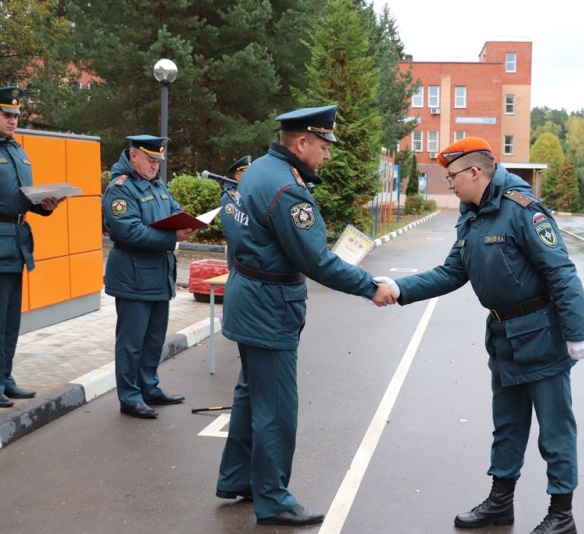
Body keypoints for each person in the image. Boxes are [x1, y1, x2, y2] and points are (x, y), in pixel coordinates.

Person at [377, 138, 584, 534]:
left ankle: (561, 514)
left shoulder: (521, 210)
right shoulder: (473, 216)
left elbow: (560, 271)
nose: (449, 184)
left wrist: (578, 333)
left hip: (542, 335)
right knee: (507, 425)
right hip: (503, 335)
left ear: (475, 172)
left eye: (452, 176)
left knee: (555, 429)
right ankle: (501, 503)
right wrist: (400, 288)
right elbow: (451, 272)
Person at [215, 104, 397, 527]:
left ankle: (238, 477)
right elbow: (317, 262)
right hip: (269, 305)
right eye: (323, 145)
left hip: (247, 294)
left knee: (249, 393)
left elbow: (234, 223)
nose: (327, 154)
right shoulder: (289, 190)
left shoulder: (258, 169)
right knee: (276, 407)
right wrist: (371, 286)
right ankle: (274, 499)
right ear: (301, 143)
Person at [102, 134, 197, 419]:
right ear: (134, 157)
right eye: (151, 159)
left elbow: (175, 211)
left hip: (158, 275)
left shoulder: (157, 185)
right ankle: (130, 397)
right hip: (133, 276)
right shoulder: (120, 189)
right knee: (131, 342)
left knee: (154, 339)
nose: (156, 165)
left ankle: (149, 387)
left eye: (158, 161)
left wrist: (189, 222)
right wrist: (171, 236)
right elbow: (127, 231)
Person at [0, 86, 63, 409]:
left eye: (15, 116)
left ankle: (5, 378)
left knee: (11, 320)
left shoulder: (16, 150)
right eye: (7, 115)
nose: (13, 120)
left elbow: (22, 196)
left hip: (17, 241)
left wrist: (46, 205)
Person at [220, 155, 251, 267]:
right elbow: (231, 231)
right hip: (241, 261)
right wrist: (241, 259)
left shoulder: (244, 193)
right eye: (248, 174)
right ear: (238, 177)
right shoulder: (230, 197)